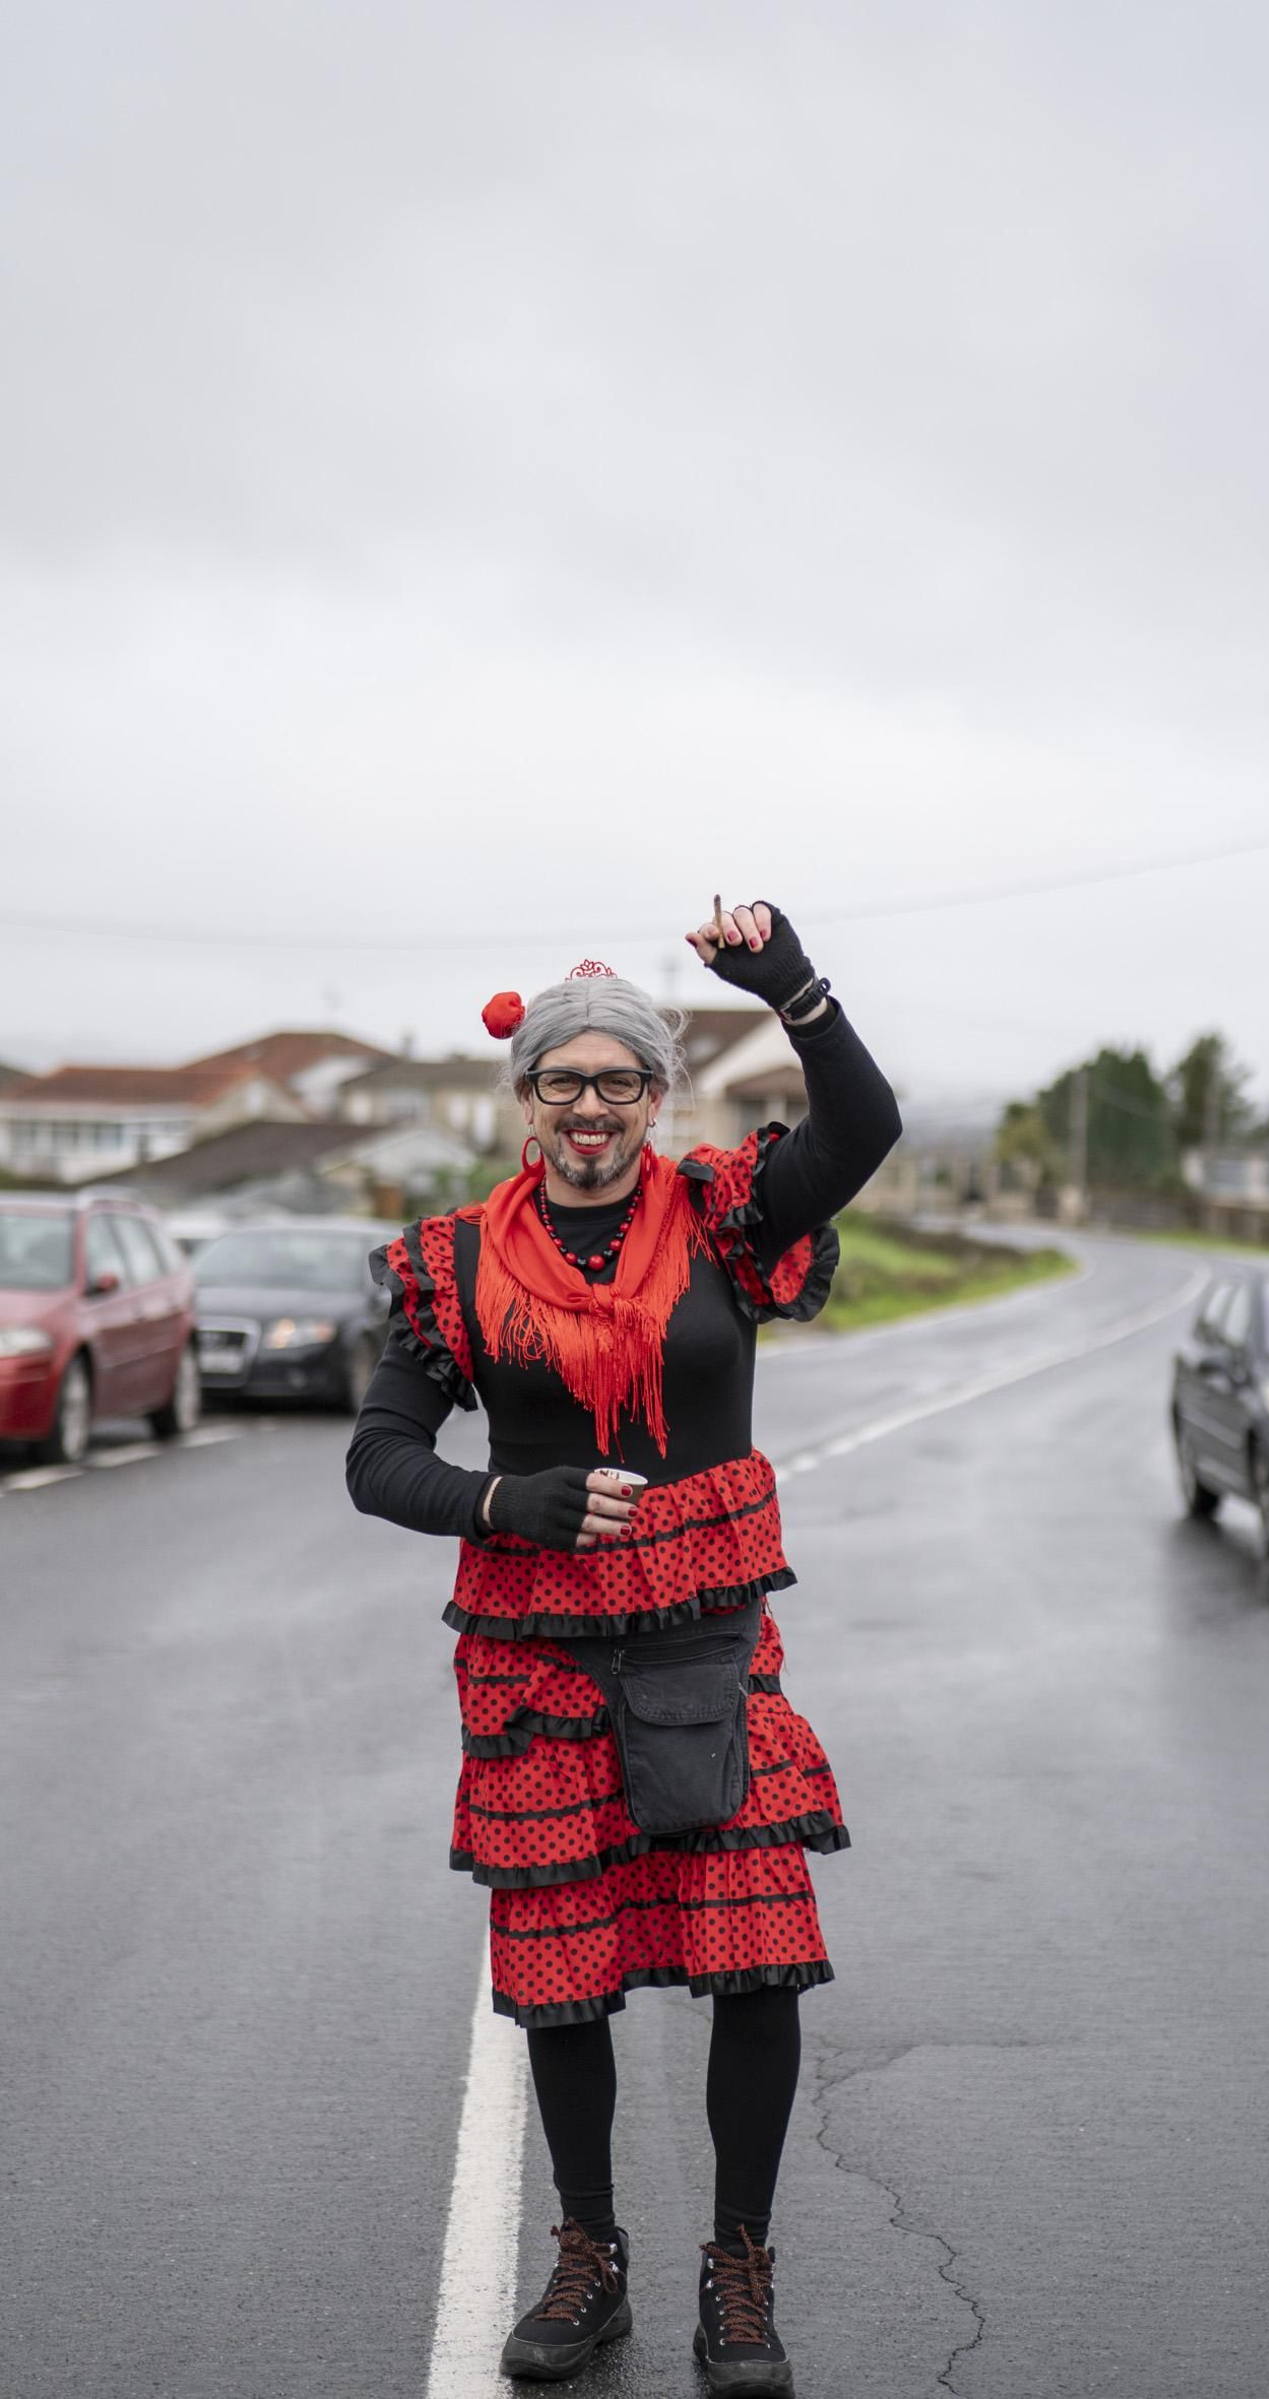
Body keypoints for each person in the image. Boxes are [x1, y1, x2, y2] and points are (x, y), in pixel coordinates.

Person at [346, 902, 899, 2395]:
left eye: (619, 1083)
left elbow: (863, 1123)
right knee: (563, 1969)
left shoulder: (730, 1219)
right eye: (562, 1083)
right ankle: (590, 2255)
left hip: (707, 1641)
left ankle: (740, 2269)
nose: (590, 1109)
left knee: (756, 1957)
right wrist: (503, 1498)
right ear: (525, 1101)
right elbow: (381, 1459)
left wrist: (786, 982)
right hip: (535, 1665)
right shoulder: (451, 1265)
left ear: (657, 1098)